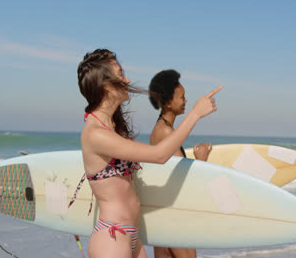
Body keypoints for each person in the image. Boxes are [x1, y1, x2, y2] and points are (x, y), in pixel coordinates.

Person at [69, 48, 221, 258]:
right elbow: (159, 155)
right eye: (120, 74)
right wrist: (195, 114)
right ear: (105, 85)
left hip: (131, 237)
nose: (127, 78)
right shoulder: (96, 134)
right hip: (112, 239)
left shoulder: (111, 128)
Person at [149, 69, 212, 258]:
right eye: (182, 97)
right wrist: (201, 161)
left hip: (163, 215)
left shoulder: (161, 129)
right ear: (168, 102)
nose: (185, 101)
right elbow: (182, 180)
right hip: (173, 217)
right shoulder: (166, 133)